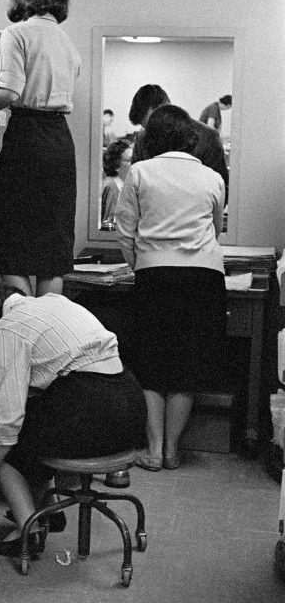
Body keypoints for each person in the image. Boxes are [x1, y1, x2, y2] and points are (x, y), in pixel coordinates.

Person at [0, 284, 147, 558]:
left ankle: (29, 529)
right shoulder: (57, 302)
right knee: (42, 423)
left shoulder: (7, 327)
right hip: (131, 407)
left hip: (90, 411)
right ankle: (51, 507)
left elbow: (8, 418)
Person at [114, 104, 227, 471]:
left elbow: (125, 229)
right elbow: (216, 228)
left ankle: (153, 449)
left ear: (153, 137)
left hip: (156, 275)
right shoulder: (212, 177)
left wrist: (140, 264)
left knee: (150, 364)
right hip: (204, 277)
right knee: (186, 366)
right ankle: (173, 451)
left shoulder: (140, 173)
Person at [0, 0, 81, 299]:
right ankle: (48, 339)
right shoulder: (67, 42)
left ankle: (21, 335)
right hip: (60, 141)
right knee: (52, 253)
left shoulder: (17, 33)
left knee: (14, 245)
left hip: (27, 137)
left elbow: (10, 92)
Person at [129, 84, 229, 199]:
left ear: (165, 109)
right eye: (147, 127)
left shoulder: (207, 137)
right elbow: (133, 188)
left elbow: (221, 190)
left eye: (152, 124)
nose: (151, 131)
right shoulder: (142, 138)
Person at [100, 138, 133, 228]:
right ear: (116, 164)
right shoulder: (112, 185)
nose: (133, 164)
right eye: (129, 160)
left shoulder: (122, 184)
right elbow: (108, 223)